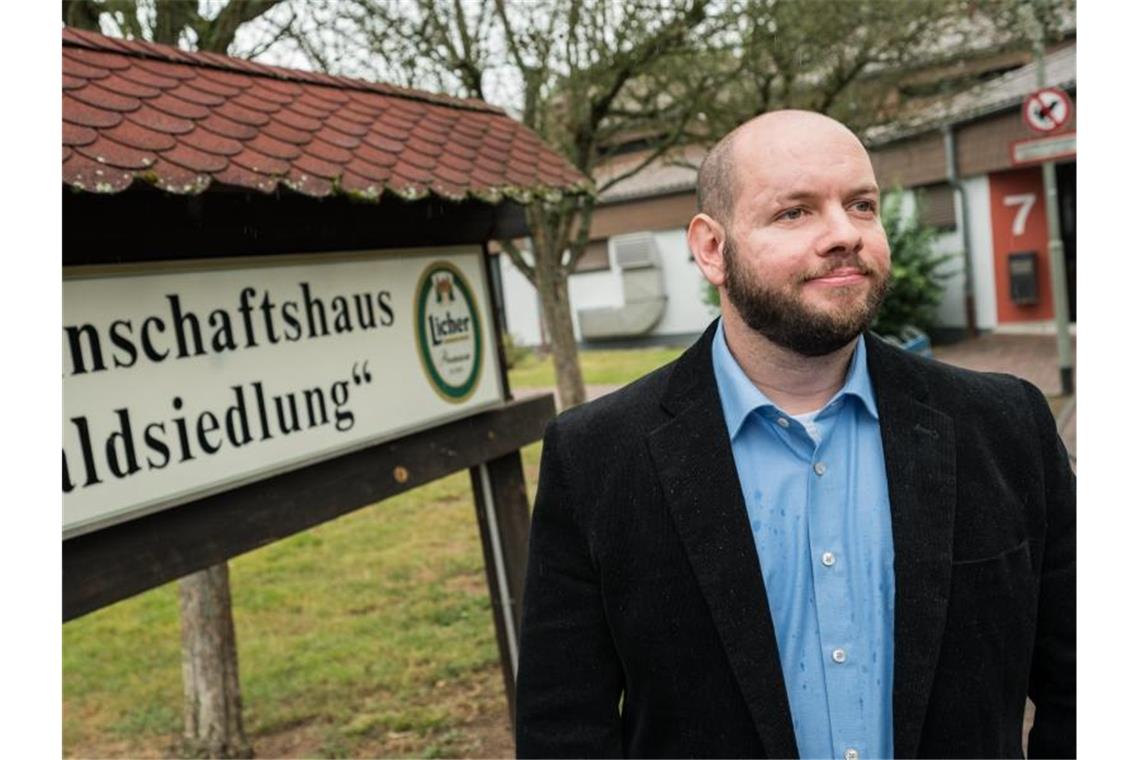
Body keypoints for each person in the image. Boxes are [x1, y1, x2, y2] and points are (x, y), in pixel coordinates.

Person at [514, 110, 1075, 759]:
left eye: (862, 205)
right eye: (795, 212)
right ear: (711, 249)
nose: (844, 234)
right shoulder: (597, 459)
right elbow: (564, 728)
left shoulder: (1005, 427)